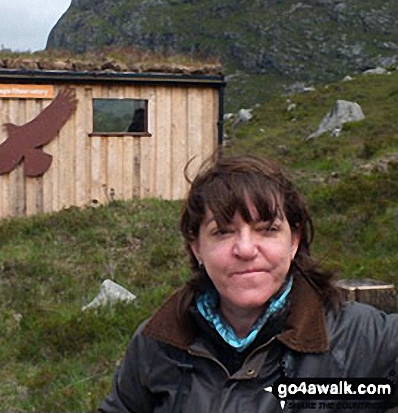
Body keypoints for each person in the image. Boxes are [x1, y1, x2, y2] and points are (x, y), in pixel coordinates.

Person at [99, 154, 398, 412]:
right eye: (223, 232)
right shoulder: (157, 344)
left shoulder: (360, 339)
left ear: (293, 241)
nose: (245, 249)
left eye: (267, 229)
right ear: (196, 247)